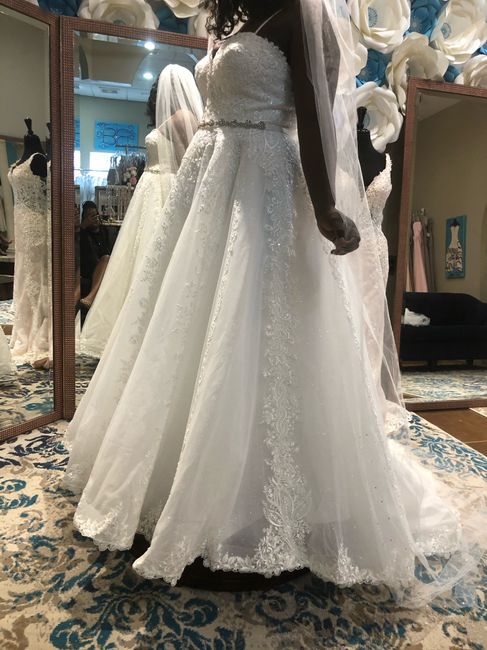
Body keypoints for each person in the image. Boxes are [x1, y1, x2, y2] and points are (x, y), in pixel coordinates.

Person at [64, 0, 484, 603]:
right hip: (209, 182)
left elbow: (314, 116)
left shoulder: (296, 14)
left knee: (258, 332)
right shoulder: (230, 19)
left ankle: (263, 509)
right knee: (188, 331)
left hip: (264, 185)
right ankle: (168, 484)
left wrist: (326, 207)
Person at [79, 65, 203, 357]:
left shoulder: (183, 117)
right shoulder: (171, 117)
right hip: (149, 193)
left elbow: (189, 161)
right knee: (137, 258)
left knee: (154, 257)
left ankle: (150, 337)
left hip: (164, 190)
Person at [77, 201, 111, 311]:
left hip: (104, 265)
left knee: (106, 258)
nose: (95, 218)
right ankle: (89, 299)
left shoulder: (104, 231)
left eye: (96, 215)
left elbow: (108, 251)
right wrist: (83, 227)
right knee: (105, 259)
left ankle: (91, 298)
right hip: (88, 268)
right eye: (91, 216)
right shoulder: (83, 233)